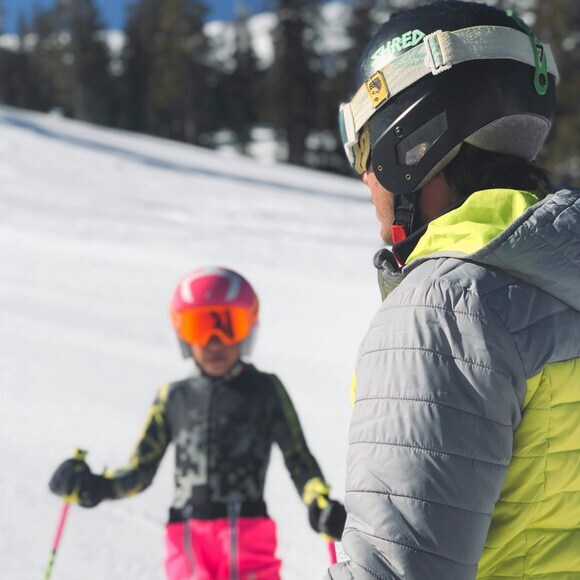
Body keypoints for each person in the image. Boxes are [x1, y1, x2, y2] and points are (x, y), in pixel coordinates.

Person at [328, 1, 580, 578]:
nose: (366, 177)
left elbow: (393, 569)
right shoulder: (559, 274)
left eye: (364, 148)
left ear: (409, 140)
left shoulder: (445, 309)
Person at [48, 266, 346, 580]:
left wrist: (318, 503)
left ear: (247, 328)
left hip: (249, 537)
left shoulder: (265, 390)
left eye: (227, 326)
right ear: (182, 333)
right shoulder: (173, 397)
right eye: (199, 327)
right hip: (188, 539)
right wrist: (95, 486)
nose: (214, 341)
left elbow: (298, 457)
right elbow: (140, 470)